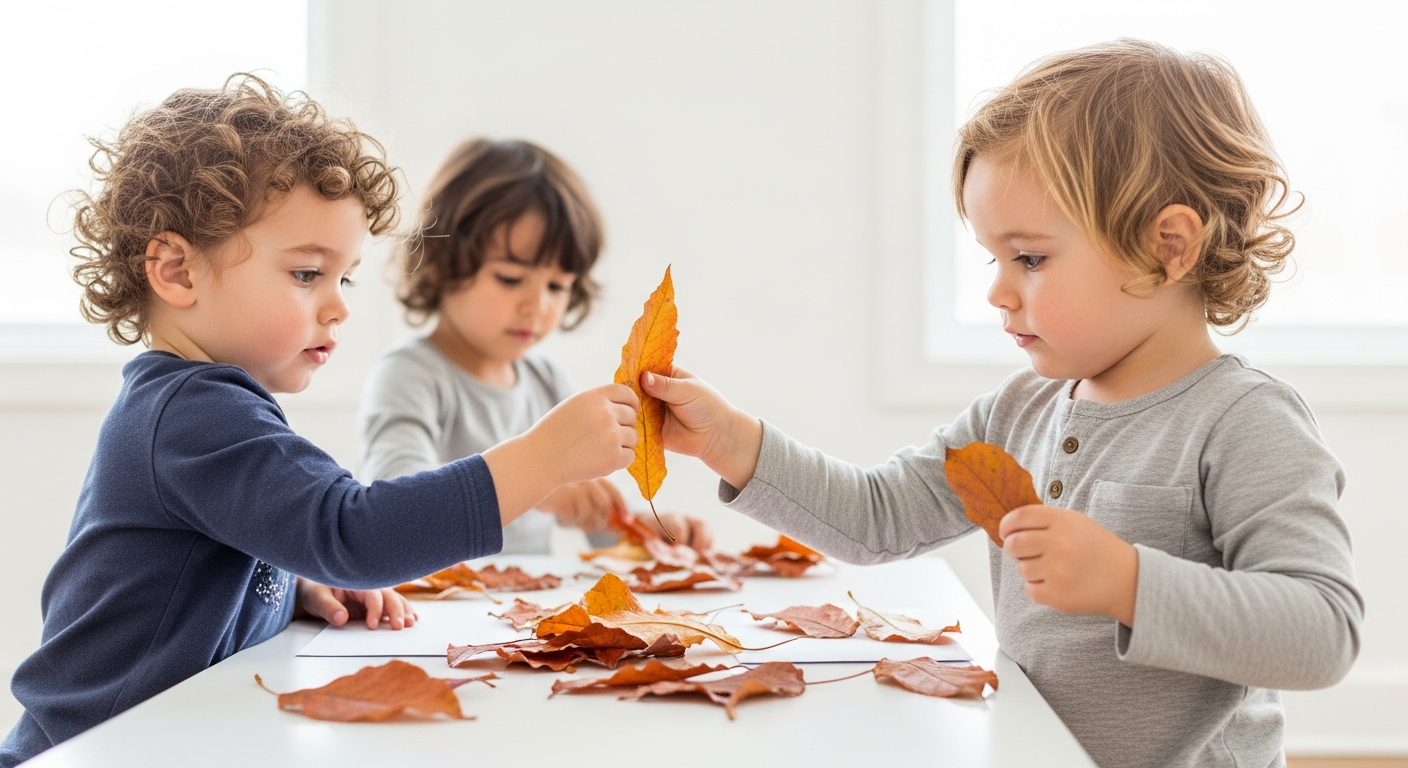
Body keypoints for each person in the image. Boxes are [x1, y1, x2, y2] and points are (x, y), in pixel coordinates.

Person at [637, 40, 1362, 768]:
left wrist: (1129, 584)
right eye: (994, 258)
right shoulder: (1018, 410)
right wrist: (733, 442)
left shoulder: (1244, 422)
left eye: (1032, 258)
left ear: (1167, 248)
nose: (998, 291)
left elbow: (1323, 632)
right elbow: (879, 517)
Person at [0, 77, 638, 767]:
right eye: (308, 274)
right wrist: (542, 459)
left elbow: (210, 561)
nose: (337, 307)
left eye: (346, 279)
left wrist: (288, 582)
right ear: (177, 271)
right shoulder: (193, 413)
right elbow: (352, 532)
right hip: (89, 752)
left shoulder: (197, 402)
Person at [359, 138, 625, 553]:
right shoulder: (410, 375)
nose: (536, 306)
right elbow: (397, 506)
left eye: (557, 286)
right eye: (509, 278)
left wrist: (648, 533)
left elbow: (595, 521)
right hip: (436, 606)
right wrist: (535, 478)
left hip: (520, 610)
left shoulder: (546, 381)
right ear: (441, 260)